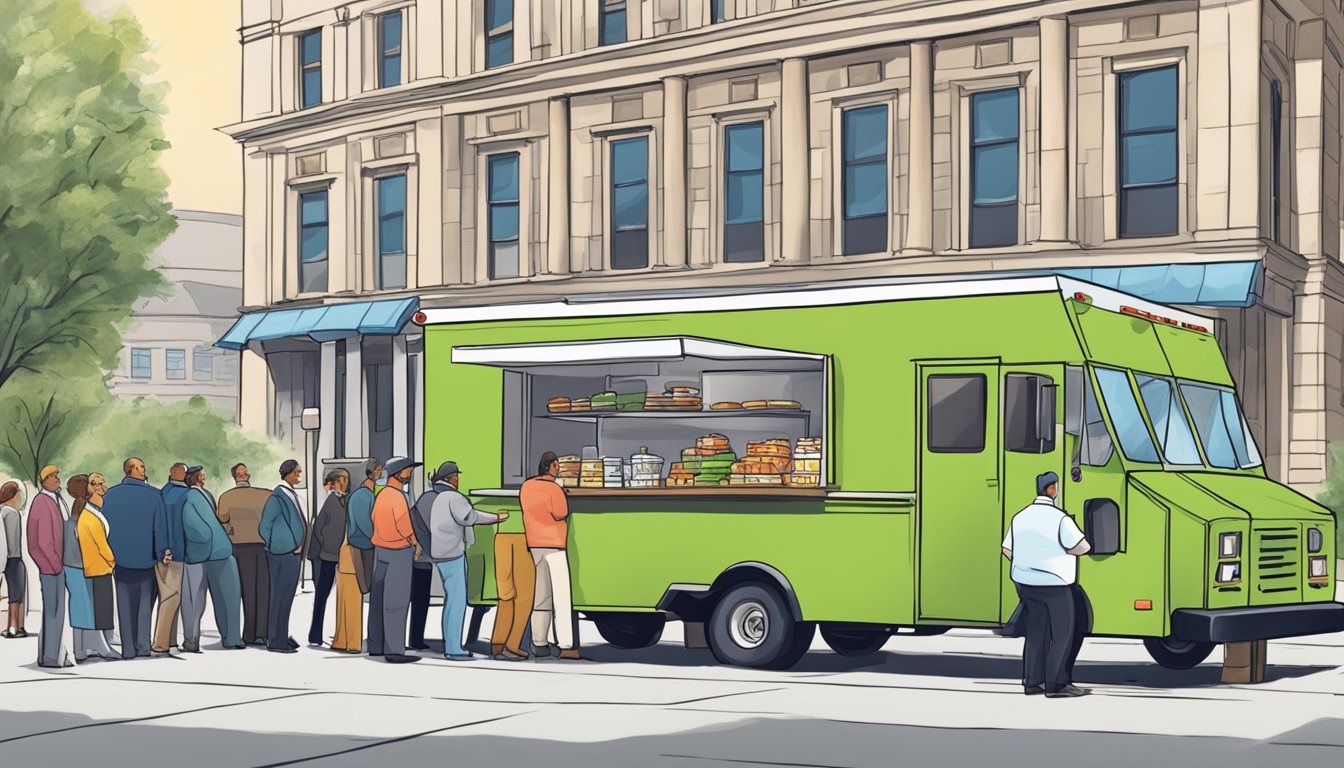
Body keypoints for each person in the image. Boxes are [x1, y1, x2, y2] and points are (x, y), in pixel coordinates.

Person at [1002, 471, 1092, 699]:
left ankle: (1032, 682)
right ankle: (1056, 684)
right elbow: (1082, 547)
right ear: (1051, 489)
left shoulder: (1019, 517)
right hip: (1055, 585)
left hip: (1025, 583)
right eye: (1056, 487)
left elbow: (1007, 549)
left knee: (1036, 633)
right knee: (1063, 633)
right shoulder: (1060, 518)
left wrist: (1028, 561)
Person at [422, 461, 504, 661]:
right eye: (456, 476)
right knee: (456, 602)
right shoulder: (453, 497)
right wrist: (496, 518)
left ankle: (451, 644)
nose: (458, 479)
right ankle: (453, 648)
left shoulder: (435, 497)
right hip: (453, 554)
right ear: (451, 478)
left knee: (451, 601)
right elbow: (470, 517)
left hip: (438, 552)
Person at [104, 457, 167, 659]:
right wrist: (161, 552)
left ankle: (128, 649)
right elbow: (160, 527)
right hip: (146, 557)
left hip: (119, 559)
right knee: (144, 603)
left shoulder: (110, 495)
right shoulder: (155, 495)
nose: (144, 470)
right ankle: (143, 646)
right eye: (140, 467)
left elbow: (105, 528)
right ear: (130, 470)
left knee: (124, 604)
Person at [522, 452, 581, 660]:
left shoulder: (527, 486)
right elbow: (560, 513)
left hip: (534, 545)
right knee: (562, 596)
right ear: (553, 466)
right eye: (557, 465)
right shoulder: (554, 489)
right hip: (555, 545)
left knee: (541, 596)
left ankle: (539, 643)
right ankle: (566, 644)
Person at [181, 467, 244, 650]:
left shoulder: (206, 494)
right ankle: (228, 638)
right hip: (207, 553)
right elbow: (192, 523)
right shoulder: (189, 497)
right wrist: (208, 537)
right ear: (196, 477)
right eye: (201, 474)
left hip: (220, 551)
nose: (204, 476)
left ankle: (232, 637)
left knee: (229, 598)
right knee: (217, 599)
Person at [369, 456, 422, 664]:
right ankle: (394, 650)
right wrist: (414, 542)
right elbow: (403, 524)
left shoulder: (381, 495)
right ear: (398, 473)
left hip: (380, 550)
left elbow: (373, 518)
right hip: (398, 550)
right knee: (396, 601)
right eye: (408, 470)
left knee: (378, 599)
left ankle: (376, 645)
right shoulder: (398, 496)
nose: (410, 474)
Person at [216, 463, 271, 646]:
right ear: (248, 476)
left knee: (244, 591)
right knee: (262, 590)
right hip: (261, 545)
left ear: (235, 477)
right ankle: (262, 632)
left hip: (239, 546)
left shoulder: (226, 497)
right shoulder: (264, 495)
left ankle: (248, 634)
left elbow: (222, 519)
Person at [63, 475, 115, 661]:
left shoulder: (77, 515)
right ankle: (85, 649)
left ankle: (82, 648)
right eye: (92, 484)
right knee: (83, 608)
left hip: (77, 565)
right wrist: (110, 561)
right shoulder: (84, 516)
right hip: (80, 566)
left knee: (83, 608)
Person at [28, 465, 73, 667]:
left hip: (53, 566)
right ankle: (51, 657)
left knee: (54, 612)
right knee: (54, 612)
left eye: (57, 475)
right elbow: (43, 541)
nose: (57, 479)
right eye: (53, 476)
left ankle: (52, 654)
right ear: (43, 480)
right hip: (51, 568)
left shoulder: (51, 500)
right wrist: (56, 566)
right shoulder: (42, 502)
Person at [259, 459, 305, 654]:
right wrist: (277, 545)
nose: (298, 476)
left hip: (291, 553)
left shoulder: (290, 494)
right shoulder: (278, 497)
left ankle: (281, 634)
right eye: (295, 472)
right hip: (282, 554)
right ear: (286, 473)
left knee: (286, 598)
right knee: (280, 597)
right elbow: (264, 526)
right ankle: (276, 640)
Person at [489, 468, 535, 661]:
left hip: (501, 533)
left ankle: (497, 643)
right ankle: (512, 645)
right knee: (524, 597)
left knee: (506, 595)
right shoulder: (537, 489)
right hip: (522, 536)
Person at [307, 469, 348, 648]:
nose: (344, 483)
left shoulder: (344, 500)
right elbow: (318, 528)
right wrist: (328, 545)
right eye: (341, 480)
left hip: (342, 555)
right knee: (322, 595)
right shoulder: (331, 500)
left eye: (346, 479)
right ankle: (315, 635)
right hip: (328, 556)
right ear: (333, 482)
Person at [78, 474, 118, 656]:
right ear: (91, 488)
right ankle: (100, 645)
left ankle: (104, 640)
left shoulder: (93, 514)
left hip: (100, 567)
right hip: (97, 567)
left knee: (103, 605)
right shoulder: (89, 516)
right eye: (100, 486)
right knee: (100, 606)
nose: (104, 489)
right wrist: (112, 560)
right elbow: (102, 546)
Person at [153, 462, 189, 654]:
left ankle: (170, 641)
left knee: (167, 596)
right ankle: (161, 643)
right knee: (172, 597)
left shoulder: (161, 493)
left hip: (161, 552)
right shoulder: (185, 495)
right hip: (177, 552)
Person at [346, 458, 381, 597]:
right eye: (378, 470)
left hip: (367, 543)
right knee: (365, 582)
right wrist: (376, 537)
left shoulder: (368, 494)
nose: (380, 473)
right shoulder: (362, 495)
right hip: (362, 544)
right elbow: (364, 523)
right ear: (370, 472)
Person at [408, 480, 436, 652]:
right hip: (424, 557)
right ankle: (416, 639)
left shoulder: (423, 499)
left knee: (416, 600)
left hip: (418, 556)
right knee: (421, 599)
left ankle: (415, 638)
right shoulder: (436, 499)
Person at [0, 481, 29, 639]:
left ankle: (11, 626)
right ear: (14, 494)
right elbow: (14, 540)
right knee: (17, 594)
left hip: (3, 559)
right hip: (14, 558)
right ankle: (15, 626)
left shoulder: (1, 511)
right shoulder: (12, 513)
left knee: (10, 594)